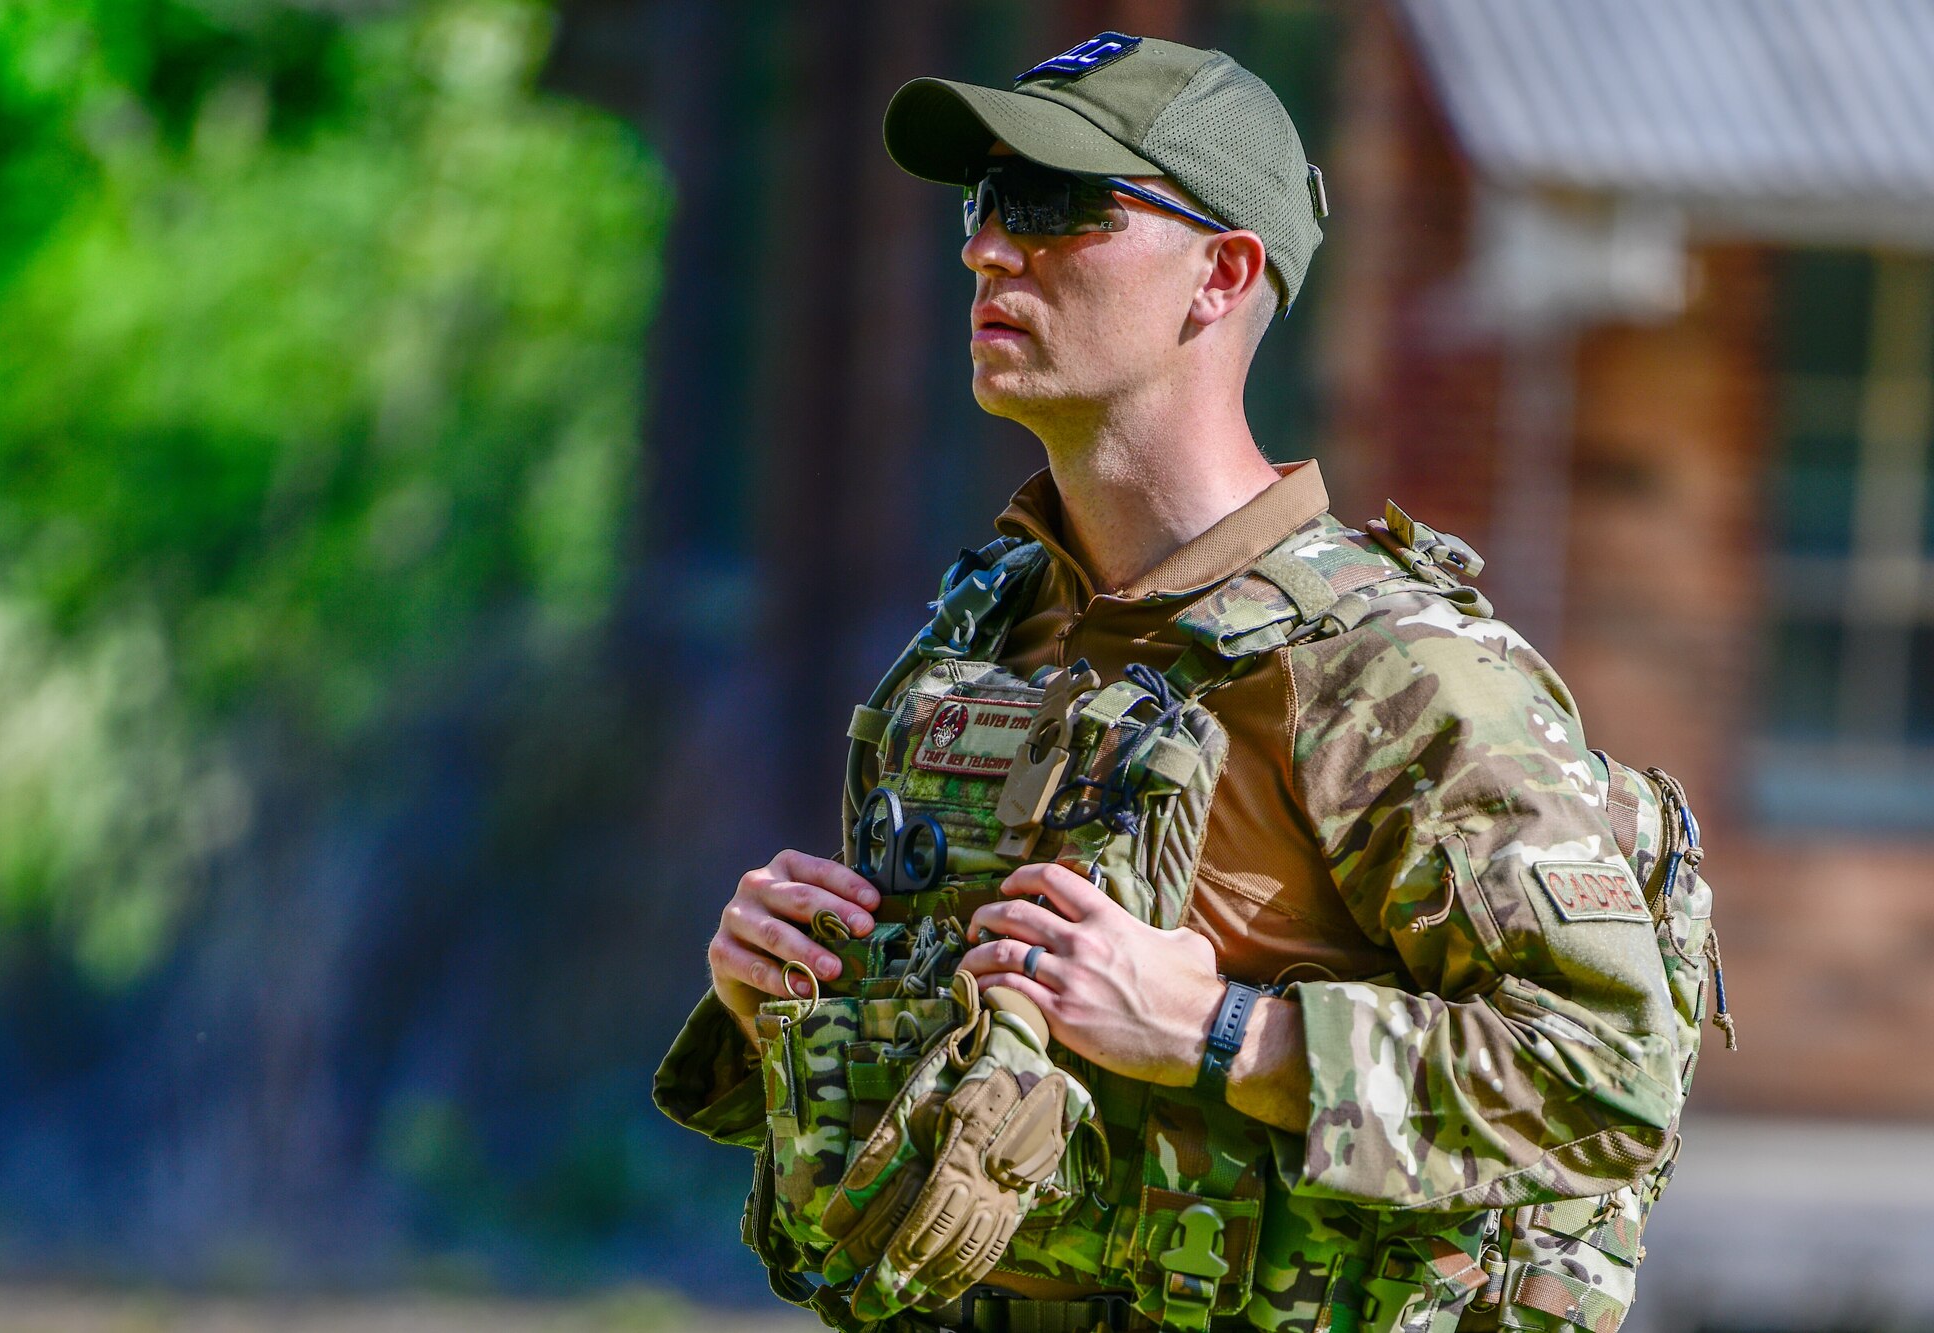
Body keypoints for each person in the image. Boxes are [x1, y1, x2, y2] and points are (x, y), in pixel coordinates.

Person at [656, 31, 1722, 1333]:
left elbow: (1606, 1085)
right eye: (985, 207)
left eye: (1052, 206)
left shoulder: (1394, 673)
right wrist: (778, 990)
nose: (988, 250)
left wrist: (1225, 1033)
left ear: (1220, 272)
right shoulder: (977, 644)